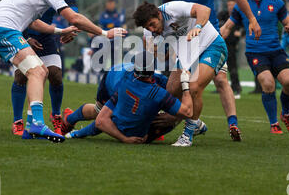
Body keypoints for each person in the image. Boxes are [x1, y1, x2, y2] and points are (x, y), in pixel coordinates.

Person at [0, 0, 126, 143]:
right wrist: (105, 33)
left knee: (41, 71)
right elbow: (74, 17)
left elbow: (34, 23)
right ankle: (36, 123)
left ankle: (30, 127)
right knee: (37, 72)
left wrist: (60, 31)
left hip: (0, 29)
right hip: (3, 30)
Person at [161, 0, 261, 141]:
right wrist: (170, 47)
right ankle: (190, 124)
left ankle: (232, 123)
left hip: (210, 39)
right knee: (173, 89)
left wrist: (252, 19)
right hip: (186, 43)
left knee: (219, 81)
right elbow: (167, 17)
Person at [134, 0, 229, 147]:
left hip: (211, 46)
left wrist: (197, 26)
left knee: (194, 87)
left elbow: (204, 9)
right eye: (148, 27)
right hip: (186, 56)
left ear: (159, 15)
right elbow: (155, 55)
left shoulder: (172, 9)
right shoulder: (149, 32)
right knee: (171, 91)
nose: (152, 29)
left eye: (153, 24)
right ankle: (195, 123)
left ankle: (188, 135)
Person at [221, 0, 289, 134]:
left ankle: (286, 114)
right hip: (255, 53)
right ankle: (274, 123)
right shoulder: (241, 4)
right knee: (268, 83)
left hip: (276, 51)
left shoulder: (276, 2)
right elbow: (227, 27)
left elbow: (288, 22)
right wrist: (214, 37)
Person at [11, 0, 79, 137]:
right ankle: (18, 121)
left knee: (55, 74)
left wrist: (72, 29)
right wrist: (25, 38)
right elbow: (15, 11)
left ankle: (56, 115)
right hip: (23, 33)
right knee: (21, 75)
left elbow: (74, 12)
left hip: (47, 35)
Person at [63, 51, 194, 144]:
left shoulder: (152, 80)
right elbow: (102, 121)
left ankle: (74, 132)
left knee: (125, 114)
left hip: (124, 79)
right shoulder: (125, 83)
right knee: (100, 111)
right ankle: (69, 119)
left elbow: (172, 92)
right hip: (110, 80)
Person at [217, 0, 243, 98]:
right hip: (222, 44)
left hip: (232, 46)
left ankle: (236, 88)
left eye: (232, 5)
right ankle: (219, 87)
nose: (230, 7)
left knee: (232, 68)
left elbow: (244, 27)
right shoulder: (222, 15)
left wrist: (241, 33)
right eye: (229, 5)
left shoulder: (238, 16)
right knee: (218, 67)